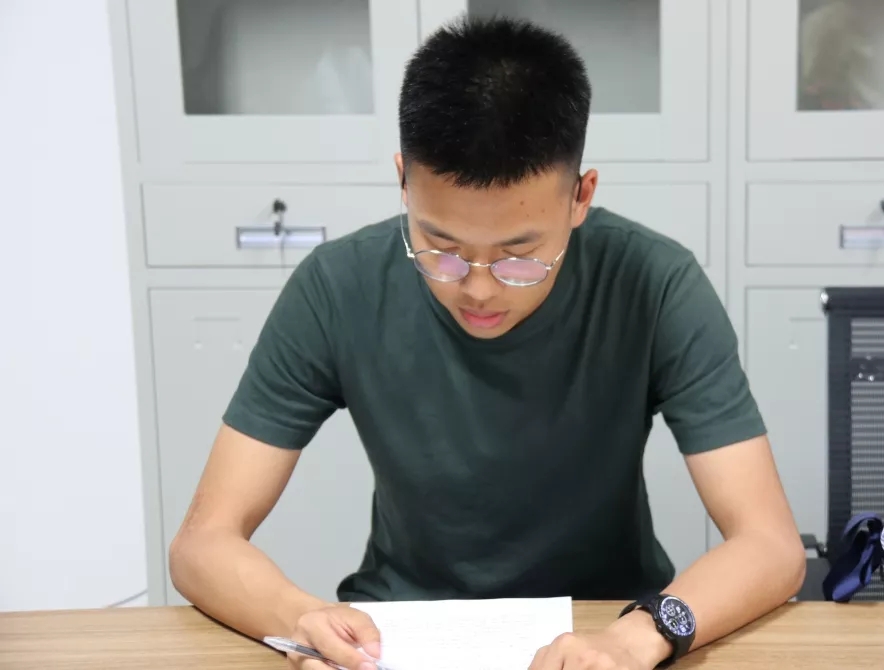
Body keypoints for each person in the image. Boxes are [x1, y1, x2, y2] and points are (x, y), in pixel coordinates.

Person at [168, 15, 807, 670]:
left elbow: (770, 545)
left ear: (580, 197)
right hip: (396, 637)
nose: (477, 288)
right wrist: (298, 618)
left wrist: (637, 636)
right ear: (403, 181)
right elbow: (202, 542)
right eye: (440, 247)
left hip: (600, 628)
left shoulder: (657, 284)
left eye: (519, 257)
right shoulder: (335, 287)